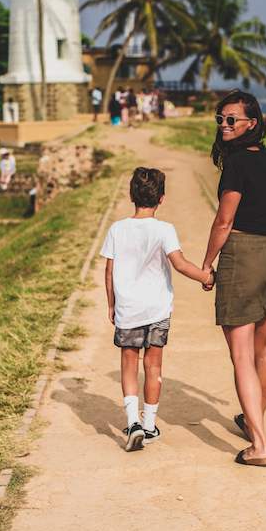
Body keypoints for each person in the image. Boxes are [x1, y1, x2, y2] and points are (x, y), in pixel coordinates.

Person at [202, 89, 266, 467]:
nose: (225, 125)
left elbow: (224, 221)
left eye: (232, 120)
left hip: (241, 257)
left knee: (242, 355)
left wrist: (208, 263)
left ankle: (259, 445)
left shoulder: (238, 164)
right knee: (262, 350)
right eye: (220, 120)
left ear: (251, 123)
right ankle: (252, 421)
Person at [101, 167, 213, 451]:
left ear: (130, 196)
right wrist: (207, 277)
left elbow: (109, 271)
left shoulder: (117, 228)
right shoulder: (165, 230)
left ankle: (132, 423)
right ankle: (149, 425)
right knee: (153, 366)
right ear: (161, 199)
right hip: (158, 309)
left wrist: (112, 303)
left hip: (128, 308)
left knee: (129, 365)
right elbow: (180, 263)